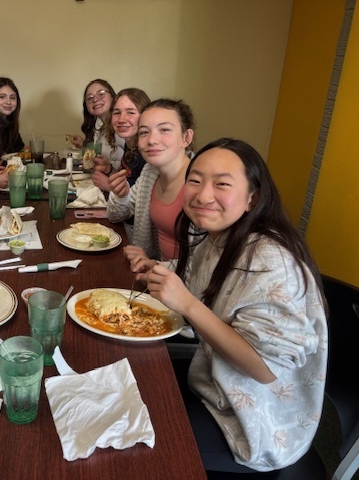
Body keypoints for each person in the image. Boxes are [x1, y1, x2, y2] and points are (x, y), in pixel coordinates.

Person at [134, 138, 328, 473]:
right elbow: (196, 277)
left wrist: (189, 305)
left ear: (253, 198)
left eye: (222, 184)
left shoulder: (270, 261)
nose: (203, 194)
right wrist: (157, 270)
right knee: (134, 383)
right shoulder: (216, 236)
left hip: (254, 422)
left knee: (137, 446)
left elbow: (264, 370)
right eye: (195, 180)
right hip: (212, 383)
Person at [107, 98, 195, 261]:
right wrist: (121, 196)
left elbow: (205, 266)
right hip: (151, 276)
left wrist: (154, 265)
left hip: (182, 284)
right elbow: (116, 216)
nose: (152, 140)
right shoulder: (150, 172)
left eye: (164, 130)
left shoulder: (201, 184)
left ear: (186, 137)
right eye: (144, 132)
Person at [92, 88, 151, 239]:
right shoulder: (129, 144)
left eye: (131, 112)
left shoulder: (149, 154)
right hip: (123, 221)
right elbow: (127, 179)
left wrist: (109, 186)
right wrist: (109, 169)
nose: (121, 119)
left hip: (136, 232)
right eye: (117, 113)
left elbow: (145, 202)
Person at [69, 79, 125, 169]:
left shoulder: (121, 125)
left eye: (101, 94)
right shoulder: (102, 127)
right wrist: (83, 145)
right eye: (90, 97)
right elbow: (103, 155)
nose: (95, 99)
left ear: (112, 97)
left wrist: (107, 168)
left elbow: (133, 164)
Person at [0, 77, 24, 155]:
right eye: (2, 97)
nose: (8, 102)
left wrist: (5, 153)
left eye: (12, 98)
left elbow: (19, 146)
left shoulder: (9, 121)